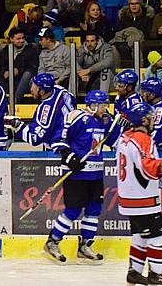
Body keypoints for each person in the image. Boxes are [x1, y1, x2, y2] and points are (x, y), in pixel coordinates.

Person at [45, 90, 120, 265]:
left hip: (95, 174)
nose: (104, 108)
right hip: (77, 174)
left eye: (105, 105)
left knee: (94, 210)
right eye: (102, 105)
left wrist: (118, 127)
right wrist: (69, 156)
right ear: (92, 105)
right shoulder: (77, 117)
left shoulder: (104, 121)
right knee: (73, 210)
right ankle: (53, 242)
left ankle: (85, 246)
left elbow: (114, 141)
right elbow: (58, 139)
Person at [117, 102, 162, 286]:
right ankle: (155, 274)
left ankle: (134, 273)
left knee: (140, 235)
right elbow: (146, 168)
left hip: (128, 198)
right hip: (142, 198)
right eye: (151, 118)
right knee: (157, 234)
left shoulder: (124, 137)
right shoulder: (143, 139)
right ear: (144, 120)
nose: (154, 121)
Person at [5, 72, 75, 148]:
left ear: (42, 92)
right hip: (71, 137)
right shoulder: (60, 90)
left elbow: (34, 139)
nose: (31, 89)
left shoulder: (47, 110)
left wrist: (17, 126)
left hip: (59, 148)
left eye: (34, 87)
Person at [0, 27, 38, 103]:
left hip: (23, 82)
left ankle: (14, 101)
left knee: (27, 74)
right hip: (8, 81)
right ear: (11, 39)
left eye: (22, 38)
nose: (21, 41)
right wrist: (4, 72)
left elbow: (33, 67)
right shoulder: (6, 50)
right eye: (18, 39)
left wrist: (18, 71)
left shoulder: (31, 49)